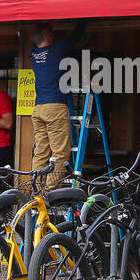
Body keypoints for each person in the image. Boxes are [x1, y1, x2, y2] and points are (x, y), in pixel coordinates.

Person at [29, 20, 88, 188]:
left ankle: (36, 193)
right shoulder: (56, 51)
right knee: (60, 153)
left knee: (41, 153)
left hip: (38, 108)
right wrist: (85, 18)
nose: (54, 34)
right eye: (51, 31)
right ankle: (49, 195)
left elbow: (40, 40)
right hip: (54, 107)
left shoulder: (33, 54)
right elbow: (76, 36)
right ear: (47, 35)